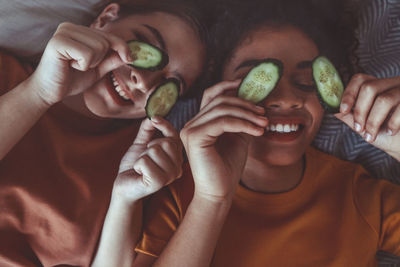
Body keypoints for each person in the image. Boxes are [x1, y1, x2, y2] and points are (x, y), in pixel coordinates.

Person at [130, 0, 400, 266]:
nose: (286, 99)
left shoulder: (359, 194)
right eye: (256, 81)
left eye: (307, 83)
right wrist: (211, 200)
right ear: (215, 92)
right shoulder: (178, 194)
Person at [0, 0, 207, 266]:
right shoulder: (6, 74)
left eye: (171, 84)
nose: (143, 82)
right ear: (105, 18)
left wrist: (124, 199)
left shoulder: (146, 163)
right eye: (145, 47)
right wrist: (38, 94)